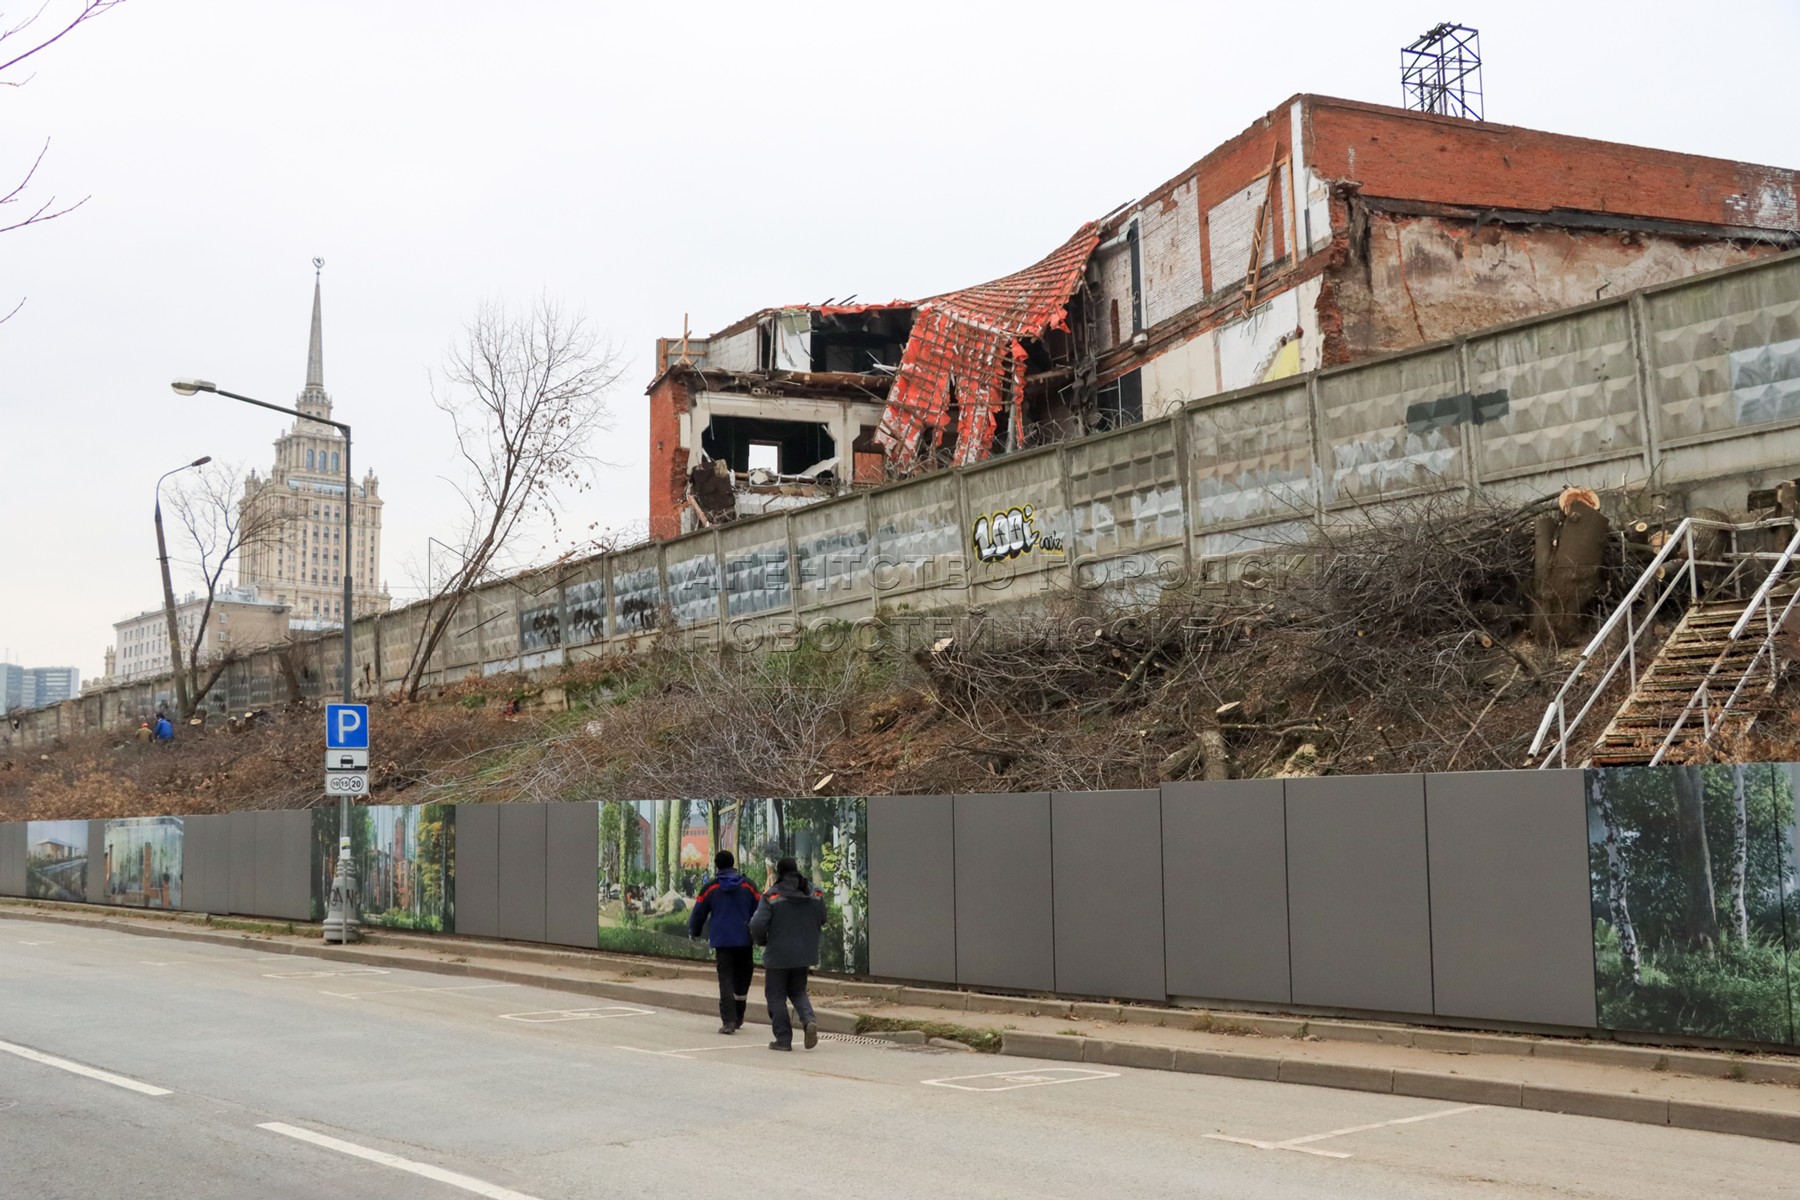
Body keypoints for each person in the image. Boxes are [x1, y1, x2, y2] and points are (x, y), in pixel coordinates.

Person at [749, 856, 826, 1052]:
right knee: (798, 991)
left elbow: (757, 925)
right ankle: (809, 1020)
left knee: (775, 996)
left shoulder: (773, 896)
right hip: (804, 954)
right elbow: (822, 918)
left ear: (780, 873)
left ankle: (783, 1039)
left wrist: (762, 941)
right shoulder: (815, 893)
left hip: (778, 955)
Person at [687, 850, 761, 1034]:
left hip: (722, 942)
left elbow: (698, 913)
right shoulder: (748, 886)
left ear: (717, 865)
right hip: (745, 940)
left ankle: (729, 1021)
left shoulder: (711, 888)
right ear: (733, 863)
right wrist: (761, 935)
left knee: (726, 979)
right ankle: (739, 1016)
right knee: (743, 979)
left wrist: (694, 931)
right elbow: (761, 910)